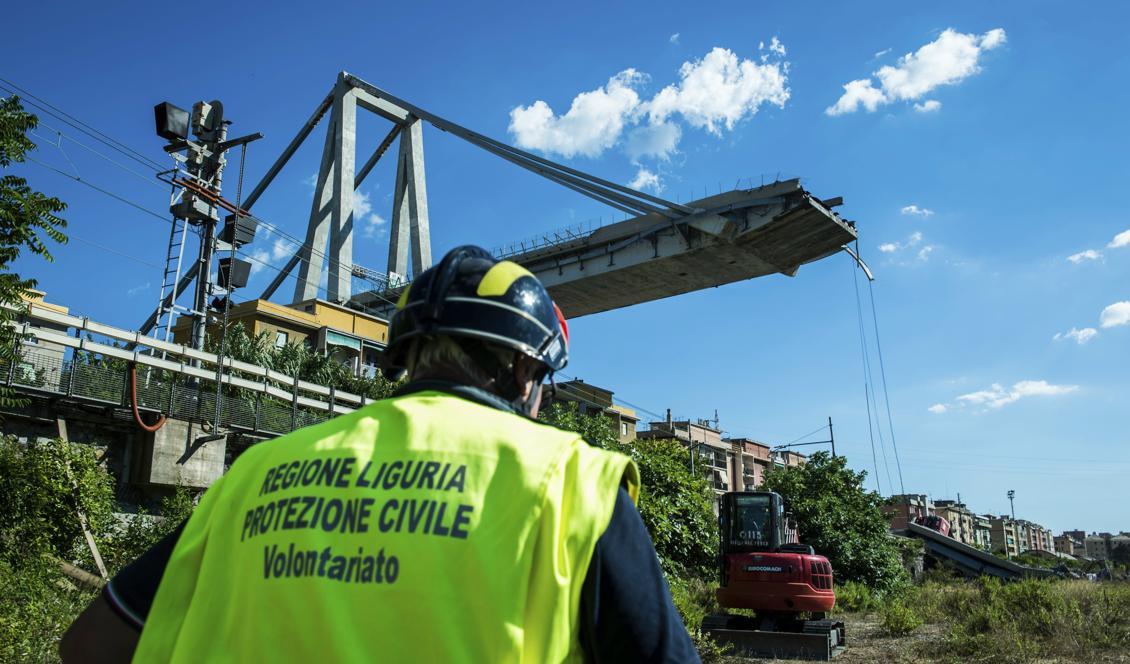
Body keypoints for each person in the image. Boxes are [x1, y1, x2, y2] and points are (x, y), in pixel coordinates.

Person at [62, 245, 699, 663]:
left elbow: (91, 644)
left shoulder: (255, 474)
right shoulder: (572, 481)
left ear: (403, 356)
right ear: (527, 369)